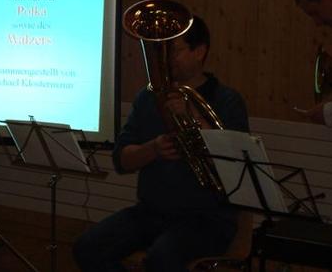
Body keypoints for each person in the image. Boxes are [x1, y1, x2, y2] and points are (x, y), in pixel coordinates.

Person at [73, 15, 249, 272]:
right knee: (87, 248)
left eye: (174, 51)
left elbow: (235, 165)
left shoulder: (227, 100)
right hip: (151, 212)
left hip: (207, 219)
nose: (165, 59)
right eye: (161, 50)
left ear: (199, 51)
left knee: (161, 259)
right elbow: (121, 161)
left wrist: (193, 117)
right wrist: (153, 149)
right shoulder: (147, 98)